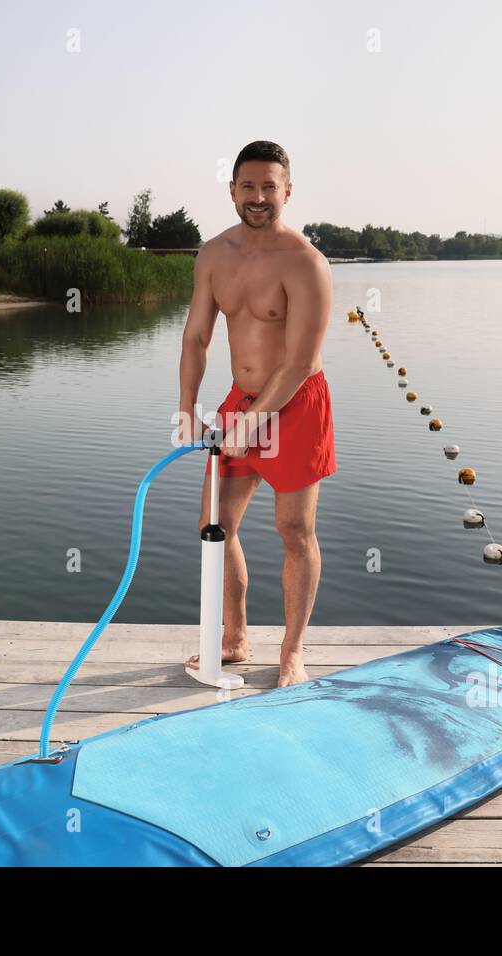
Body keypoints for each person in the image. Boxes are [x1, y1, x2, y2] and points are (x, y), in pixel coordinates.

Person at [176, 140, 335, 687]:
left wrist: (254, 422)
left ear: (287, 191)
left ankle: (293, 651)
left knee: (294, 529)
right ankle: (236, 637)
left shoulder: (306, 263)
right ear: (232, 191)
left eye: (270, 186)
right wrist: (187, 408)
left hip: (295, 405)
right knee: (214, 526)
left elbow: (300, 362)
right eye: (249, 186)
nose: (259, 196)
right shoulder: (214, 255)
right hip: (239, 403)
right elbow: (196, 337)